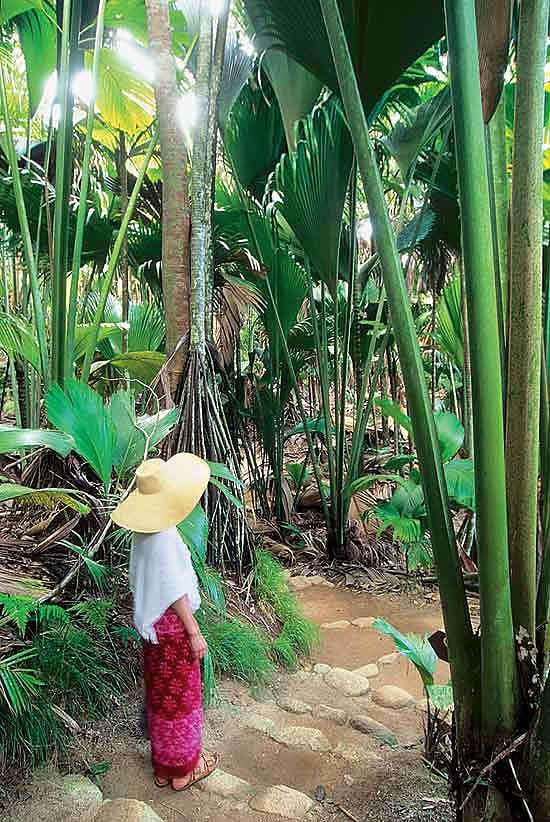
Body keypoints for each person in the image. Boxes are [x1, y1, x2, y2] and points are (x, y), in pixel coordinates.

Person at [111, 453, 219, 791]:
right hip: (174, 628)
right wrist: (194, 631)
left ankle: (164, 768)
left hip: (153, 630)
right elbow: (174, 589)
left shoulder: (142, 536)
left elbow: (140, 583)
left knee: (161, 697)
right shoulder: (165, 537)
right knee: (184, 698)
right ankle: (185, 769)